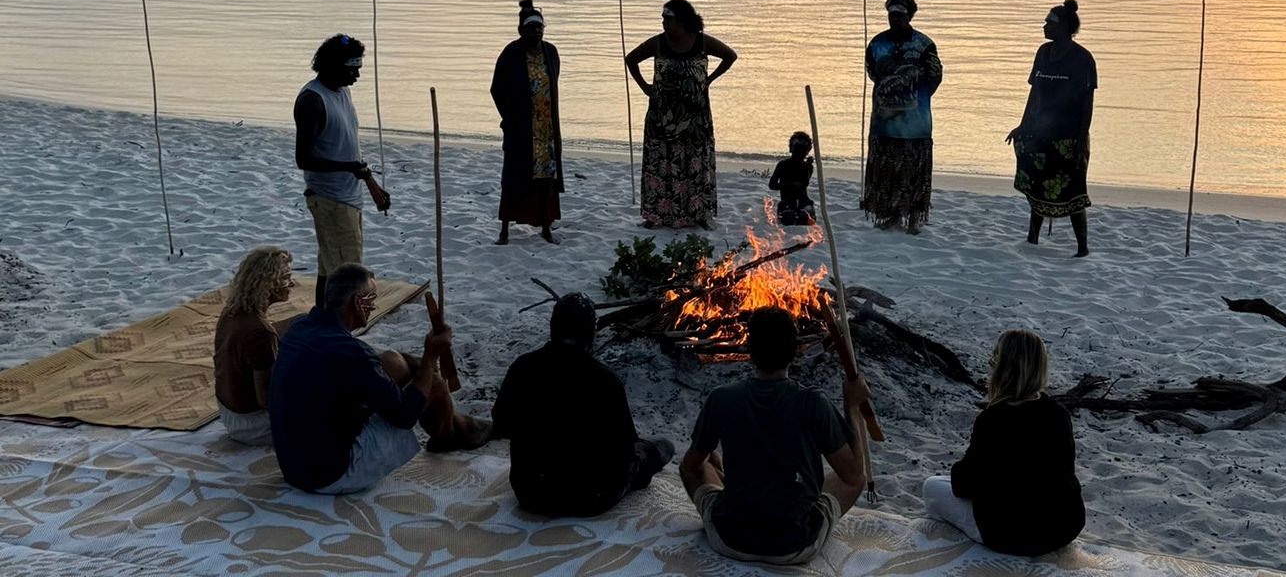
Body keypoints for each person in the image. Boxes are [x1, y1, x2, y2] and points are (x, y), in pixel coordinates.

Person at [269, 263, 491, 494]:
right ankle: (448, 436)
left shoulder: (299, 327)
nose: (374, 305)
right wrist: (430, 356)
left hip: (293, 468)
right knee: (431, 382)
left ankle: (454, 426)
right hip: (330, 475)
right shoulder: (352, 353)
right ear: (357, 302)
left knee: (393, 360)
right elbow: (405, 416)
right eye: (371, 298)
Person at [679, 307, 870, 565]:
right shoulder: (813, 403)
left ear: (749, 350)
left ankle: (739, 499)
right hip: (795, 545)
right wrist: (852, 408)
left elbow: (690, 467)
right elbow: (854, 476)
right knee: (852, 477)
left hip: (729, 540)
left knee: (701, 463)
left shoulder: (721, 398)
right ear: (796, 351)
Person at [492, 292, 674, 516]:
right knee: (660, 448)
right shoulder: (605, 381)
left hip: (531, 491)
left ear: (552, 327)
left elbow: (501, 425)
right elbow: (625, 449)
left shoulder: (522, 367)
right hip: (590, 497)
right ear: (592, 333)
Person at [923, 329, 1085, 556]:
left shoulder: (993, 419)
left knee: (932, 486)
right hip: (1065, 526)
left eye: (993, 361)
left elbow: (963, 484)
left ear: (1002, 368)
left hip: (1011, 534)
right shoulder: (1058, 413)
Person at [294, 34, 390, 308]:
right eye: (352, 69)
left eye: (358, 68)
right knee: (346, 272)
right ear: (333, 66)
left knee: (329, 266)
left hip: (349, 194)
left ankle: (322, 317)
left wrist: (370, 182)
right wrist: (347, 167)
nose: (357, 75)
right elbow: (304, 158)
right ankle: (334, 321)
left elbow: (344, 143)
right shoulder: (312, 100)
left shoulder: (343, 92)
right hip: (329, 198)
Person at [625, 0, 736, 229]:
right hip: (662, 116)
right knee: (660, 163)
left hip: (695, 117)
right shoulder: (658, 43)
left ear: (682, 20)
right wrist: (645, 87)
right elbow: (631, 59)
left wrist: (709, 80)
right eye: (663, 18)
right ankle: (656, 214)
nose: (663, 22)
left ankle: (700, 214)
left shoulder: (702, 41)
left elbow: (730, 56)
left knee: (696, 163)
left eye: (668, 18)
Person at [1005, 0, 1096, 257]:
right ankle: (1032, 237)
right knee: (1037, 186)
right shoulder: (1043, 52)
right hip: (1039, 132)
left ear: (1064, 27)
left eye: (1049, 22)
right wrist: (1023, 125)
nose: (1044, 26)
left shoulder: (1082, 59)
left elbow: (1087, 103)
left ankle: (1082, 247)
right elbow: (1034, 93)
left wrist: (1080, 140)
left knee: (1073, 191)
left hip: (1067, 136)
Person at [863, 0, 943, 233]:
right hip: (884, 121)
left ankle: (914, 218)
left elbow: (935, 76)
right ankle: (891, 215)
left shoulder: (924, 44)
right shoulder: (877, 43)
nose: (894, 19)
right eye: (891, 15)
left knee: (914, 171)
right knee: (886, 170)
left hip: (915, 123)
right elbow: (873, 72)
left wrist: (916, 95)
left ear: (909, 17)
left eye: (899, 16)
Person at [490, 0, 564, 245]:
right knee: (514, 176)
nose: (536, 32)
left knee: (546, 177)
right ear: (521, 30)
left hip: (546, 129)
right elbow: (496, 89)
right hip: (520, 129)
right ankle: (504, 230)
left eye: (540, 27)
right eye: (531, 28)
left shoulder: (550, 52)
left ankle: (546, 226)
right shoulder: (511, 53)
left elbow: (553, 83)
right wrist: (509, 116)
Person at [213, 245, 296, 445]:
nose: (292, 284)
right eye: (286, 278)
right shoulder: (261, 333)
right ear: (269, 283)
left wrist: (300, 322)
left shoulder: (232, 311)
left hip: (228, 412)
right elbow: (266, 399)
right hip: (252, 425)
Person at [769, 131, 815, 226]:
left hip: (803, 202)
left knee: (808, 218)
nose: (800, 152)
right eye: (797, 148)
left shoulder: (807, 166)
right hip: (787, 202)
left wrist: (807, 167)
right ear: (791, 149)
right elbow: (772, 185)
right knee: (789, 218)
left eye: (803, 149)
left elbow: (804, 183)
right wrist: (789, 185)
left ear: (807, 151)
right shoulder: (783, 165)